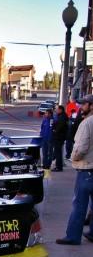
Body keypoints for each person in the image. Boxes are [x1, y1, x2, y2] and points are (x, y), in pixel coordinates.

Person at [55, 95, 93, 245]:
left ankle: (73, 236)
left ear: (91, 106)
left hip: (86, 169)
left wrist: (74, 157)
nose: (80, 107)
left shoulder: (87, 123)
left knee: (79, 204)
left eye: (83, 105)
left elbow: (81, 147)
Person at [51, 105, 68, 172]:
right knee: (57, 152)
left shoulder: (62, 116)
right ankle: (58, 166)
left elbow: (60, 126)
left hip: (59, 137)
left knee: (58, 153)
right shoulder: (60, 115)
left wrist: (55, 131)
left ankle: (59, 167)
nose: (56, 110)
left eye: (57, 109)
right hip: (59, 136)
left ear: (61, 110)